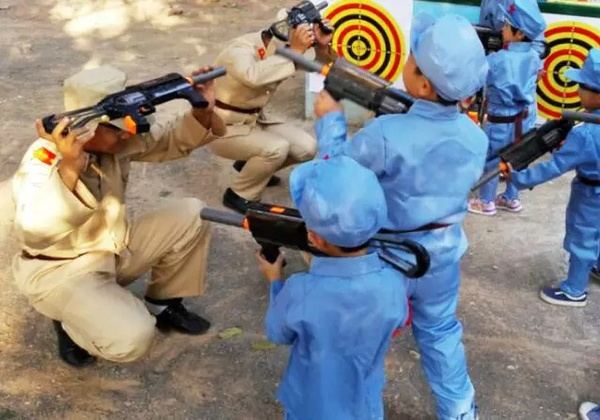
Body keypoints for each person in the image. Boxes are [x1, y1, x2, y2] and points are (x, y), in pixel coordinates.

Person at [312, 13, 489, 420]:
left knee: (362, 340)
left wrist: (330, 125)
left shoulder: (385, 134)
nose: (404, 66)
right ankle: (461, 411)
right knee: (441, 332)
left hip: (386, 258)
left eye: (410, 61)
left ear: (424, 83)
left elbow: (339, 179)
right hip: (442, 256)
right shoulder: (475, 137)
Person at [11, 65, 225, 367]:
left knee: (193, 213)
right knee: (133, 337)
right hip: (63, 273)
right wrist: (71, 168)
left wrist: (202, 108)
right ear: (87, 126)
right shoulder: (43, 157)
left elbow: (170, 140)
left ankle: (163, 303)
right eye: (119, 130)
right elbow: (34, 229)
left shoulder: (112, 138)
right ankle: (72, 324)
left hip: (111, 249)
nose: (128, 137)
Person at [256, 155, 408, 419]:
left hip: (310, 406)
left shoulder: (299, 289)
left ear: (314, 238)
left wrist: (274, 280)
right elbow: (399, 321)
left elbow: (278, 333)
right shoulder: (394, 282)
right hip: (365, 405)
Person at [207, 9, 337, 214]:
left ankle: (251, 166)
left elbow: (319, 66)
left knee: (307, 147)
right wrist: (294, 50)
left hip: (253, 120)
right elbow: (254, 76)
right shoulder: (241, 50)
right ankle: (239, 194)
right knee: (277, 148)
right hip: (222, 126)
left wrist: (322, 46)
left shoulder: (282, 48)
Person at [507, 48, 600, 307]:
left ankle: (574, 290)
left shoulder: (586, 134)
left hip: (592, 193)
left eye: (583, 85)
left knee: (583, 235)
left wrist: (519, 178)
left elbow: (553, 167)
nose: (578, 91)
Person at [469, 0, 546, 216]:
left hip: (500, 119)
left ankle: (486, 202)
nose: (501, 29)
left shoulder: (496, 60)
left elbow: (477, 80)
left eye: (506, 26)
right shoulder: (534, 58)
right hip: (526, 117)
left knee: (494, 159)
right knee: (518, 157)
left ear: (519, 33)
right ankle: (512, 198)